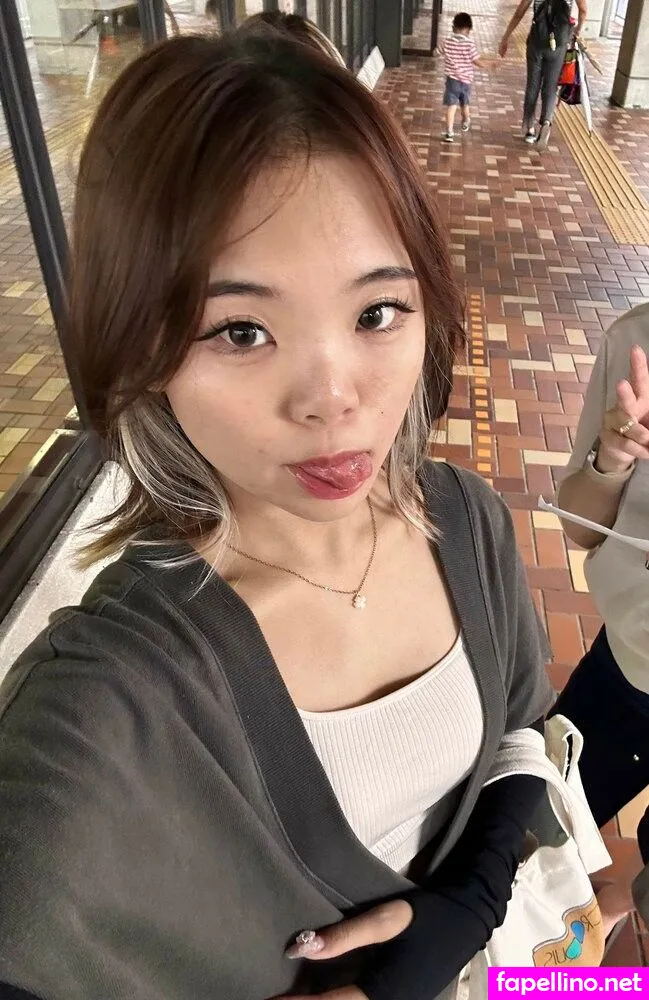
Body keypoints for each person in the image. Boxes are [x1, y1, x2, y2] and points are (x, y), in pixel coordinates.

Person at [0, 16, 553, 1000]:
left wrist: (465, 909)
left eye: (376, 311)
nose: (333, 400)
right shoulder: (108, 699)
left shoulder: (465, 521)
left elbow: (519, 730)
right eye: (241, 330)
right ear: (141, 348)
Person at [549, 306, 649, 930]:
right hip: (627, 663)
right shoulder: (636, 339)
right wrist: (611, 458)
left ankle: (599, 933)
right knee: (537, 823)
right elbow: (580, 528)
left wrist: (612, 906)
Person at [499, 0, 587, 149]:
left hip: (537, 41)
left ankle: (529, 128)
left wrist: (506, 37)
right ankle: (546, 122)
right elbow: (583, 10)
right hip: (559, 42)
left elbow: (519, 13)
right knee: (551, 86)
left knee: (533, 85)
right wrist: (577, 31)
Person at [441, 12, 492, 144]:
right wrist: (487, 65)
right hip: (466, 81)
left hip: (452, 80)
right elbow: (476, 60)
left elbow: (438, 51)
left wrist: (436, 52)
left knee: (451, 106)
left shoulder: (447, 41)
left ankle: (449, 132)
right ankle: (466, 120)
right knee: (464, 104)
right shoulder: (469, 44)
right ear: (469, 29)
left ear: (454, 27)